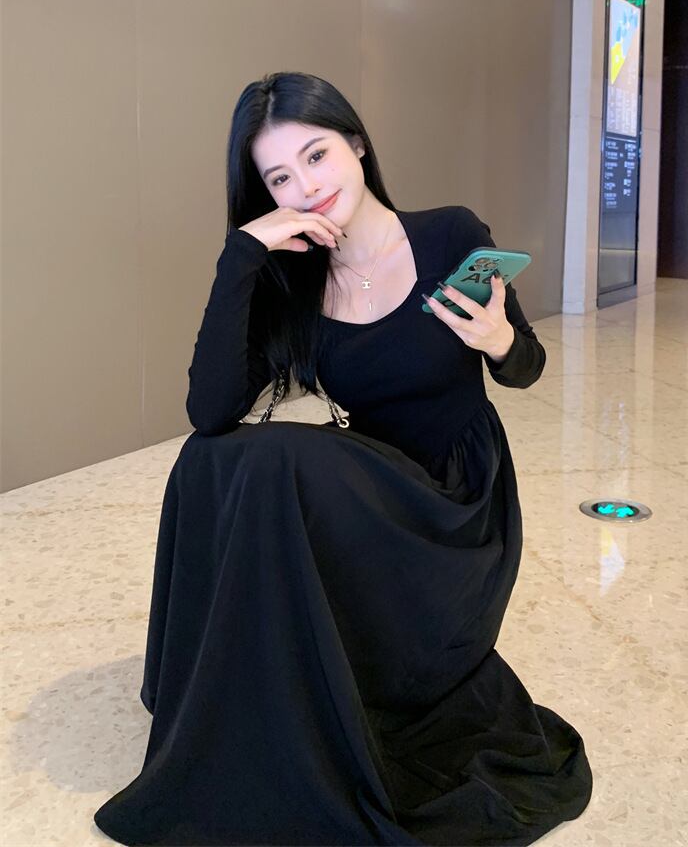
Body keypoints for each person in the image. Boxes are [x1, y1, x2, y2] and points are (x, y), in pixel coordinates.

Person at [93, 71, 593, 846]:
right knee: (208, 461)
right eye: (279, 178)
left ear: (356, 144)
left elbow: (525, 367)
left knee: (276, 462)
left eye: (317, 155)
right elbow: (210, 411)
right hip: (370, 497)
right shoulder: (297, 282)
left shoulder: (449, 234)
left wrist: (499, 340)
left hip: (455, 510)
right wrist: (242, 255)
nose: (306, 186)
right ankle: (202, 695)